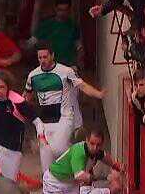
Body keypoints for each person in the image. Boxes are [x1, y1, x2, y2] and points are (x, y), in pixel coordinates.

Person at [26, 42, 105, 172]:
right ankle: (51, 187)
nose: (42, 61)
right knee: (46, 162)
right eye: (40, 58)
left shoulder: (65, 71)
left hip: (65, 117)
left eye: (45, 57)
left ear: (52, 55)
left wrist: (98, 94)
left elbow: (83, 86)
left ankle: (83, 155)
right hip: (45, 121)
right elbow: (27, 96)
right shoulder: (33, 75)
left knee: (58, 149)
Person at [42, 128, 121, 194]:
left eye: (98, 145)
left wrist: (117, 166)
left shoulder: (97, 152)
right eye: (92, 143)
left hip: (71, 184)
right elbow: (79, 175)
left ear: (102, 144)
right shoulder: (79, 151)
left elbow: (105, 157)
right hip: (54, 182)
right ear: (86, 140)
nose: (95, 148)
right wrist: (106, 177)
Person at [31, 0, 83, 69]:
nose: (63, 13)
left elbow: (78, 46)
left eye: (65, 10)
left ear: (69, 10)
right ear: (55, 8)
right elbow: (33, 42)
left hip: (68, 66)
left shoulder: (73, 26)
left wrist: (77, 63)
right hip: (49, 65)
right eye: (60, 10)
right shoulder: (46, 25)